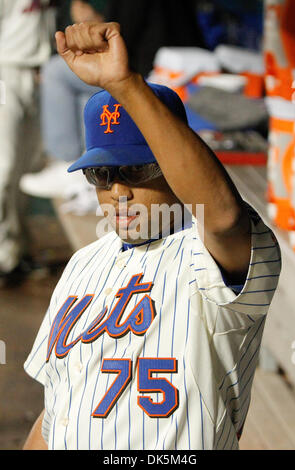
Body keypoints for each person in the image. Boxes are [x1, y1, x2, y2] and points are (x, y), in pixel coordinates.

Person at [23, 22, 281, 450]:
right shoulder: (82, 265)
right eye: (101, 174)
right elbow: (56, 411)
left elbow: (221, 215)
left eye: (137, 170)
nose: (118, 191)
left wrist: (126, 85)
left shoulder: (207, 254)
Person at [19, 0, 107, 199]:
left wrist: (96, 21)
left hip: (148, 64)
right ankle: (87, 170)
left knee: (55, 71)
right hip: (116, 61)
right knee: (83, 94)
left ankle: (67, 163)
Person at [0, 0, 56, 286]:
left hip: (39, 74)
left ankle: (15, 252)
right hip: (4, 74)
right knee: (4, 168)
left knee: (28, 168)